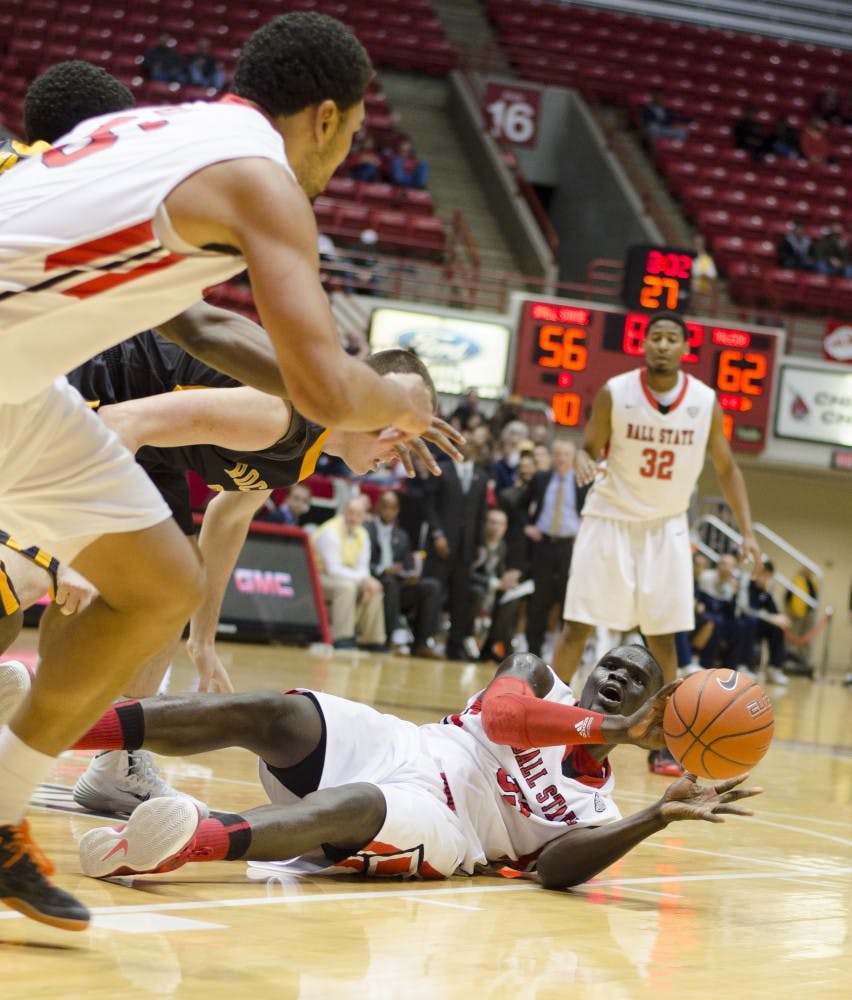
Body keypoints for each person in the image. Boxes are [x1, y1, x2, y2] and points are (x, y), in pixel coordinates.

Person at [0, 13, 435, 931]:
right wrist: (389, 402)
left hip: (20, 376)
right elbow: (321, 381)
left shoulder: (183, 134)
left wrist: (368, 400)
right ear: (325, 116)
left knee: (162, 585)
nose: (345, 159)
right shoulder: (263, 181)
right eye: (351, 137)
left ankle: (2, 808)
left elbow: (201, 328)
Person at [44, 647, 761, 888]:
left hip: (449, 829)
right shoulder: (539, 676)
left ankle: (185, 840)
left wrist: (655, 816)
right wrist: (612, 726)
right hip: (408, 745)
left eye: (635, 680)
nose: (616, 677)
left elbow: (554, 871)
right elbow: (505, 719)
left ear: (660, 710)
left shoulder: (596, 809)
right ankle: (58, 725)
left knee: (359, 802)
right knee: (275, 710)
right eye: (612, 664)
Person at [550, 311, 761, 777]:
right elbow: (589, 446)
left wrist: (746, 531)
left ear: (685, 347)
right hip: (610, 519)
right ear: (643, 345)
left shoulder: (705, 401)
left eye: (672, 338)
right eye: (655, 337)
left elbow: (727, 468)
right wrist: (585, 462)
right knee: (578, 627)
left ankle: (669, 740)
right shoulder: (615, 393)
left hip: (666, 525)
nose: (663, 345)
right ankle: (547, 726)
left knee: (664, 636)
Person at [423, 435, 490, 661]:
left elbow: (481, 515)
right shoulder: (441, 470)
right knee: (433, 593)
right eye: (464, 443)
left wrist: (481, 544)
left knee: (461, 598)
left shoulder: (482, 477)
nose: (468, 447)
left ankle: (455, 646)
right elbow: (430, 507)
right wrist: (437, 534)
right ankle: (422, 640)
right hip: (441, 544)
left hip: (466, 547)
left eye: (472, 444)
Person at [522, 439, 582, 659]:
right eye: (557, 454)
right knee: (539, 600)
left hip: (570, 546)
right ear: (552, 456)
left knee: (568, 600)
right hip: (544, 544)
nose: (561, 458)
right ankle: (533, 652)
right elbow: (520, 503)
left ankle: (562, 653)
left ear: (573, 457)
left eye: (566, 454)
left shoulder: (582, 481)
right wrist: (527, 525)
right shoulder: (541, 478)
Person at [366, 490, 441, 658]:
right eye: (385, 506)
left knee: (431, 586)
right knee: (389, 581)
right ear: (377, 506)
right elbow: (362, 563)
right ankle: (389, 638)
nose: (388, 511)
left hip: (398, 585)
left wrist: (410, 575)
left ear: (397, 510)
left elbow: (406, 565)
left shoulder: (402, 535)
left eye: (392, 508)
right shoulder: (366, 530)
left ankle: (421, 643)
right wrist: (382, 569)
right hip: (376, 581)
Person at [312, 496, 385, 650]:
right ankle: (342, 637)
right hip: (317, 578)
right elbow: (333, 570)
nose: (353, 518)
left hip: (345, 578)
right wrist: (363, 580)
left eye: (358, 514)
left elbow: (363, 567)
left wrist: (366, 582)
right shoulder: (330, 532)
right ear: (344, 511)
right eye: (350, 512)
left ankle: (372, 640)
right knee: (347, 587)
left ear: (364, 517)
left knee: (374, 589)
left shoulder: (363, 534)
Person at [470, 508, 524, 664]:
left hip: (493, 591)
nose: (496, 527)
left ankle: (495, 647)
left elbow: (499, 572)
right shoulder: (475, 543)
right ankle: (473, 643)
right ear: (485, 524)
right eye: (493, 522)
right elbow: (466, 574)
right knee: (477, 593)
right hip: (475, 590)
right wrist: (494, 583)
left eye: (501, 524)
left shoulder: (502, 546)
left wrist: (509, 578)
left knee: (511, 600)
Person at [746, 561, 791, 687]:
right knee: (750, 624)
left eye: (768, 576)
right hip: (748, 621)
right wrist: (771, 618)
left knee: (778, 629)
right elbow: (747, 609)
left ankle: (775, 669)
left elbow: (774, 611)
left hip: (763, 623)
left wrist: (769, 593)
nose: (765, 578)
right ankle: (748, 667)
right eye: (762, 574)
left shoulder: (768, 589)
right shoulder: (747, 584)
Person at [784, 564, 819, 670]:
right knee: (793, 637)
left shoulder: (813, 583)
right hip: (795, 614)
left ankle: (804, 661)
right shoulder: (797, 580)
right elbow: (788, 597)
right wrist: (791, 612)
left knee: (806, 638)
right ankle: (789, 659)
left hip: (808, 615)